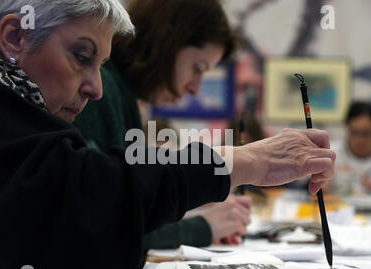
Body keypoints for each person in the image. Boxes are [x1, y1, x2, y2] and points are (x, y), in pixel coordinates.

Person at [0, 0, 335, 269]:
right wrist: (239, 163)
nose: (96, 89)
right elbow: (89, 199)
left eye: (100, 64)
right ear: (16, 36)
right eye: (81, 57)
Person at [74, 0, 253, 249]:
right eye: (197, 69)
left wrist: (190, 201)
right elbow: (100, 223)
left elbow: (127, 203)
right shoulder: (100, 93)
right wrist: (203, 227)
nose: (194, 89)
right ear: (168, 39)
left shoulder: (121, 94)